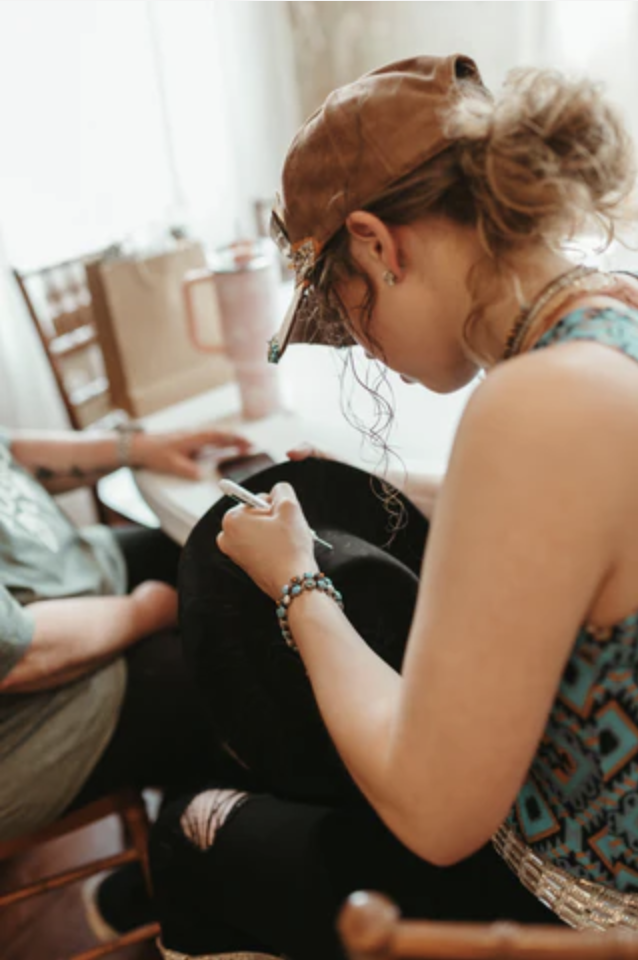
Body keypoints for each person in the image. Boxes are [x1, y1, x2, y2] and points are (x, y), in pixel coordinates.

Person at [149, 52, 638, 960]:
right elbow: (575, 527)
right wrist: (394, 485)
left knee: (186, 827)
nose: (364, 351)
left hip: (580, 912)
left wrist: (298, 582)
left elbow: (435, 811)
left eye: (344, 309)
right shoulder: (610, 322)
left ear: (378, 244)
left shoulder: (532, 406)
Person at [0, 421, 252, 848]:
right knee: (228, 673)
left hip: (69, 580)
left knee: (221, 555)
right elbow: (21, 654)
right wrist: (144, 612)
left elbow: (9, 453)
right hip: (33, 727)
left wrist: (134, 448)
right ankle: (187, 868)